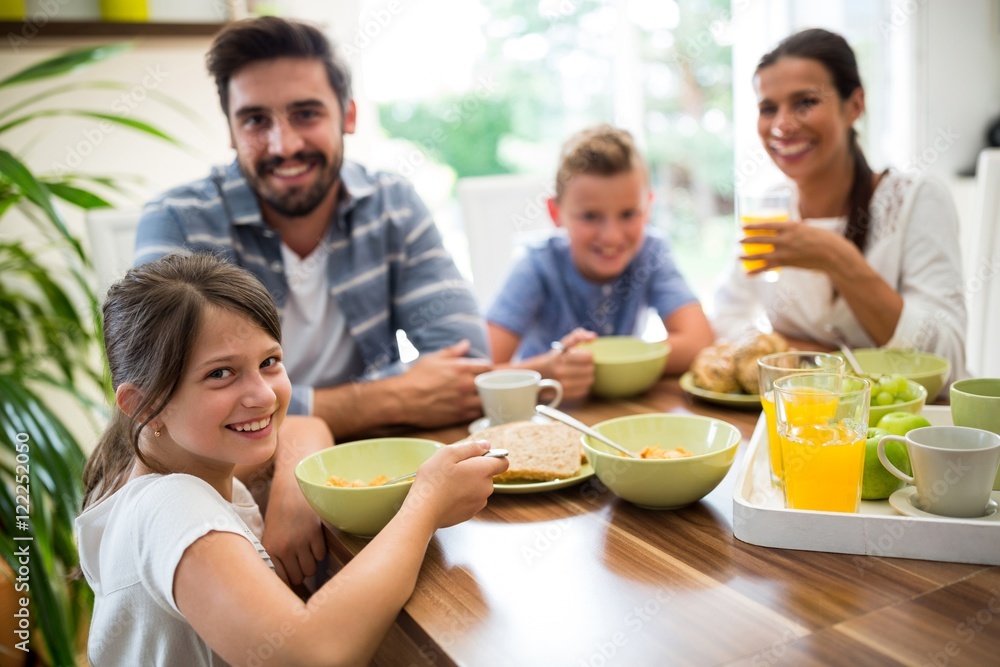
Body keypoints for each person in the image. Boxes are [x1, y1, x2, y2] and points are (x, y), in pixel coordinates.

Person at [76, 254, 507, 665]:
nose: (263, 395)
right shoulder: (172, 506)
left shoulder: (147, 475)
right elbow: (315, 655)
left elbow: (300, 426)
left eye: (269, 362)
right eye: (219, 373)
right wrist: (425, 504)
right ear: (144, 404)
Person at [134, 17, 490, 439]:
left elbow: (465, 363)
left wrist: (302, 411)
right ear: (231, 130)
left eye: (305, 114)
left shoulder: (392, 204)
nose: (284, 146)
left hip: (366, 458)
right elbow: (167, 395)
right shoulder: (178, 219)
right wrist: (387, 399)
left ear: (349, 115)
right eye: (255, 121)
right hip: (235, 476)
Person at [711, 28, 967, 388]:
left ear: (855, 106)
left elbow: (947, 363)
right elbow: (725, 314)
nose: (782, 125)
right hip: (805, 423)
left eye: (805, 102)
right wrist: (789, 356)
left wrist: (840, 261)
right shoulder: (771, 205)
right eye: (768, 108)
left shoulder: (914, 199)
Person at [486, 125, 715, 399]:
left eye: (629, 214)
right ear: (555, 212)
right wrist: (546, 372)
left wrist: (614, 361)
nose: (611, 236)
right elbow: (482, 372)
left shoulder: (651, 251)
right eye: (590, 216)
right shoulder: (536, 264)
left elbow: (699, 341)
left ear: (648, 207)